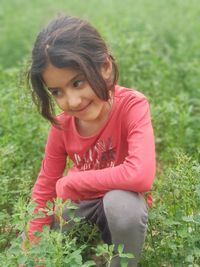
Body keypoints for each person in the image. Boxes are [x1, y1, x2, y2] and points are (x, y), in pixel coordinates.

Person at [26, 15, 156, 267]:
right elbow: (44, 189)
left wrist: (75, 181)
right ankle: (88, 257)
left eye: (78, 82)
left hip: (119, 213)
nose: (72, 101)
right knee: (55, 221)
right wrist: (31, 254)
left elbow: (140, 174)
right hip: (80, 210)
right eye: (57, 92)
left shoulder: (132, 105)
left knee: (121, 203)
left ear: (105, 66)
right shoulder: (63, 125)